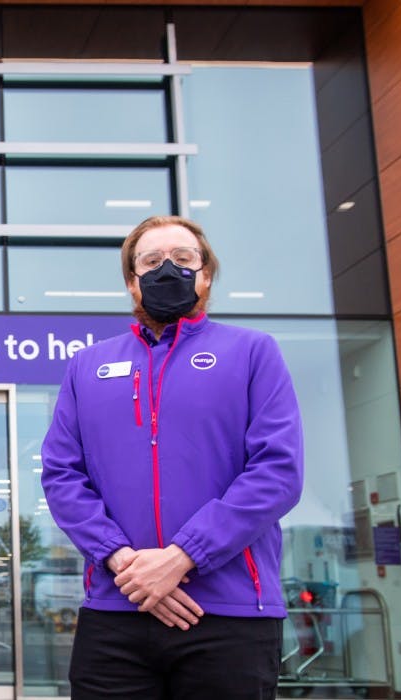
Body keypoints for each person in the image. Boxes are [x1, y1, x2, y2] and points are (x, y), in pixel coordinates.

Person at [40, 215, 304, 699]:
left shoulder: (253, 353)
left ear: (206, 275)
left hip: (229, 616)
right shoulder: (87, 367)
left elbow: (278, 472)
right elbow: (62, 475)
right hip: (116, 612)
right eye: (151, 261)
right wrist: (126, 564)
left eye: (182, 259)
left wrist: (183, 558)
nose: (167, 269)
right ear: (131, 281)